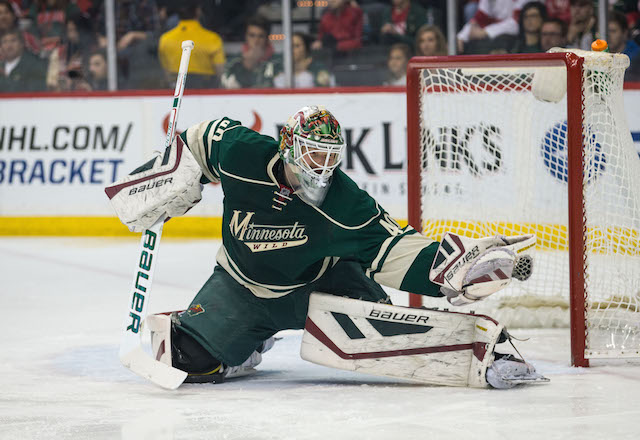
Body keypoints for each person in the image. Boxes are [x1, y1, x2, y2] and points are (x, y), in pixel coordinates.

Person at [106, 105, 547, 389]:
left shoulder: (342, 201)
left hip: (321, 287)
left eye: (331, 157)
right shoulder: (245, 156)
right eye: (315, 156)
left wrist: (450, 270)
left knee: (375, 322)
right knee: (185, 359)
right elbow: (201, 139)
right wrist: (170, 176)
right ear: (290, 148)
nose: (324, 168)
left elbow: (393, 246)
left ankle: (470, 349)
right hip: (241, 288)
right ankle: (248, 345)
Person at [158, 0, 225, 88]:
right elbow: (220, 72)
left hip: (176, 92)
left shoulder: (165, 40)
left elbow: (167, 74)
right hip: (206, 93)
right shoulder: (213, 39)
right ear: (198, 11)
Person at [221, 14, 277, 89]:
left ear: (267, 39)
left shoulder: (277, 62)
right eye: (252, 35)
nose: (256, 41)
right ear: (245, 37)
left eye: (261, 36)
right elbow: (225, 86)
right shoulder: (232, 63)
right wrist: (247, 64)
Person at [457, 0, 523, 54]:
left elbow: (517, 23)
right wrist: (461, 36)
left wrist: (485, 31)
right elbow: (478, 19)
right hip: (495, 35)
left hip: (516, 38)